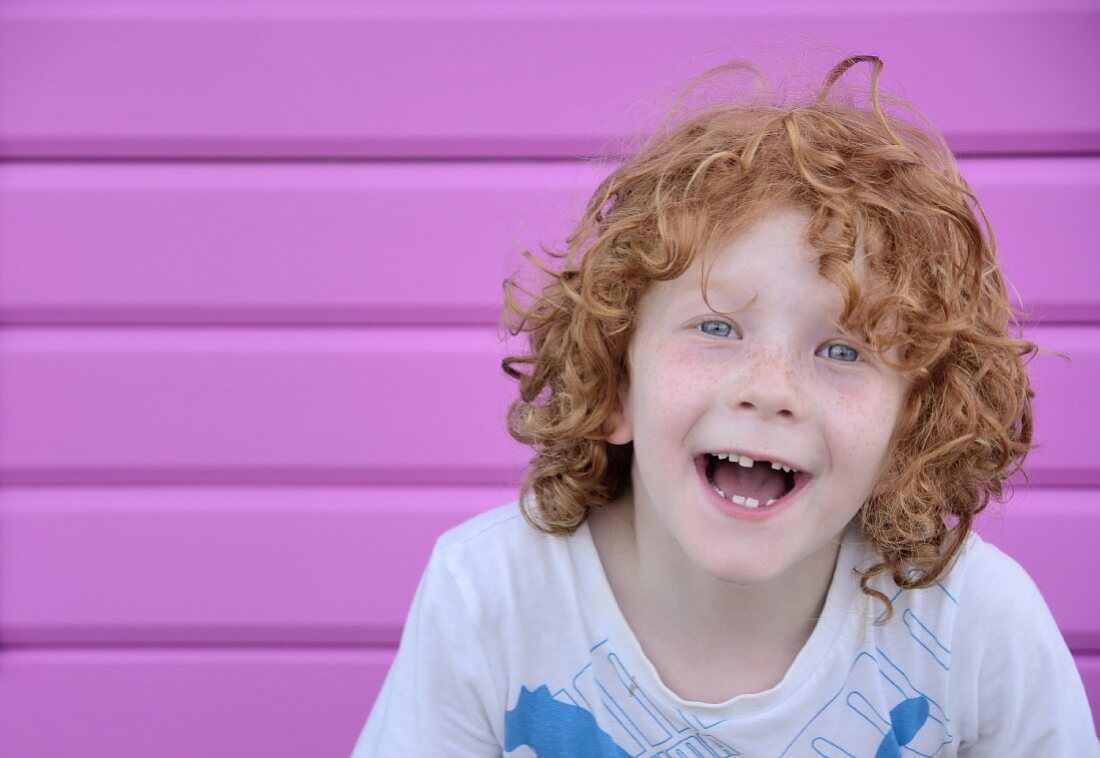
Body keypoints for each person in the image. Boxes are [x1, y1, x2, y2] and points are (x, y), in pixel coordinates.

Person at [351, 55, 1099, 755]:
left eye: (842, 350)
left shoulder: (977, 624)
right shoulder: (491, 593)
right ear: (615, 382)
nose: (770, 389)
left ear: (911, 431)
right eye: (716, 327)